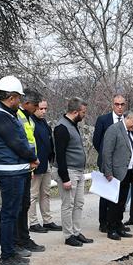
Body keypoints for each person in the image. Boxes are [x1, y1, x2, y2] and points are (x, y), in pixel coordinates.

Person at [0, 75, 37, 265]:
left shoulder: (8, 112)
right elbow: (15, 142)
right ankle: (6, 256)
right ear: (12, 97)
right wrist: (32, 156)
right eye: (18, 98)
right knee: (9, 213)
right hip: (9, 171)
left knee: (16, 211)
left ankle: (12, 249)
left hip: (18, 169)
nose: (20, 102)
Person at [53, 97, 93, 247]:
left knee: (79, 203)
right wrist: (65, 178)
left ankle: (76, 232)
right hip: (68, 172)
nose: (84, 115)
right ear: (75, 112)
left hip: (78, 171)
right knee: (68, 205)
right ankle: (68, 235)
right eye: (83, 112)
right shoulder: (61, 128)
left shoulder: (73, 124)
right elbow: (60, 155)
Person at [99, 109, 133, 240]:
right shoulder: (114, 129)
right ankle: (111, 229)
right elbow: (107, 153)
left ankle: (118, 225)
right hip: (115, 173)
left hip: (128, 172)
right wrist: (108, 172)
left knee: (122, 202)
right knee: (113, 203)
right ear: (127, 118)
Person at [15, 90, 45, 256]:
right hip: (20, 166)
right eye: (35, 106)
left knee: (25, 204)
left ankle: (25, 238)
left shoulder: (28, 117)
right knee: (19, 207)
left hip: (28, 166)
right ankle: (19, 241)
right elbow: (20, 142)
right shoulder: (17, 116)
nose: (36, 109)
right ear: (26, 103)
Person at [92, 94, 127, 232]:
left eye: (122, 104)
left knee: (120, 195)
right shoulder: (103, 119)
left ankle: (117, 221)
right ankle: (103, 222)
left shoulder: (128, 120)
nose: (119, 107)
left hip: (122, 164)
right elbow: (97, 141)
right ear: (112, 104)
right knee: (106, 193)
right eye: (117, 104)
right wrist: (106, 157)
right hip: (106, 162)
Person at [28, 99, 61, 234]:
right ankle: (33, 222)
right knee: (33, 194)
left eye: (45, 109)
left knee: (45, 193)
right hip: (36, 163)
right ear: (35, 108)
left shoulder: (43, 123)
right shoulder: (30, 122)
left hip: (46, 161)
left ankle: (47, 220)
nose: (43, 111)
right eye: (41, 109)